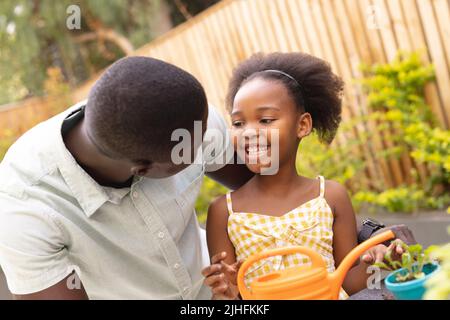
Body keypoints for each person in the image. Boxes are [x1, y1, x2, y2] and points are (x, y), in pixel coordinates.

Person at [0, 55, 414, 300]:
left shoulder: (189, 124)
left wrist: (367, 236)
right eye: (195, 149)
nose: (226, 140)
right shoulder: (26, 209)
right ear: (147, 171)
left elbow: (276, 197)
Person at [202, 52, 411, 300]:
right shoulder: (223, 212)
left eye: (266, 120)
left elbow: (346, 283)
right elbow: (234, 298)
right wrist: (229, 293)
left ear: (302, 125)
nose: (249, 133)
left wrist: (379, 264)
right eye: (238, 124)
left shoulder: (330, 196)